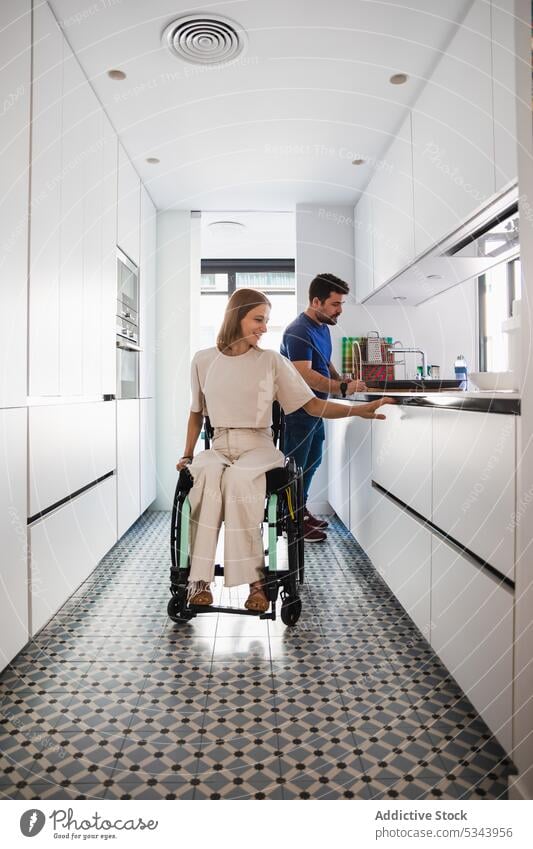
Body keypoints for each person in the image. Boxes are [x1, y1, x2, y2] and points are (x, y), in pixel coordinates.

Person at [177, 288, 392, 613]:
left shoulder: (271, 361)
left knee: (239, 482)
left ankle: (256, 583)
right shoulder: (203, 360)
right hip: (219, 444)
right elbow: (195, 412)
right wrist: (188, 454)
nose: (264, 328)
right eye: (258, 319)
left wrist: (356, 410)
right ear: (237, 317)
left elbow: (312, 404)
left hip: (258, 445)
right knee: (205, 477)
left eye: (266, 321)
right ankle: (199, 581)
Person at [281, 273, 366, 542]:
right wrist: (341, 389)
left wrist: (340, 378)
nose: (339, 310)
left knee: (312, 460)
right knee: (295, 466)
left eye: (341, 304)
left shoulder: (322, 328)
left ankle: (299, 512)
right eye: (334, 304)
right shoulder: (298, 331)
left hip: (316, 408)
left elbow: (323, 363)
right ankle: (289, 519)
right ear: (316, 301)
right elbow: (304, 374)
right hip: (298, 410)